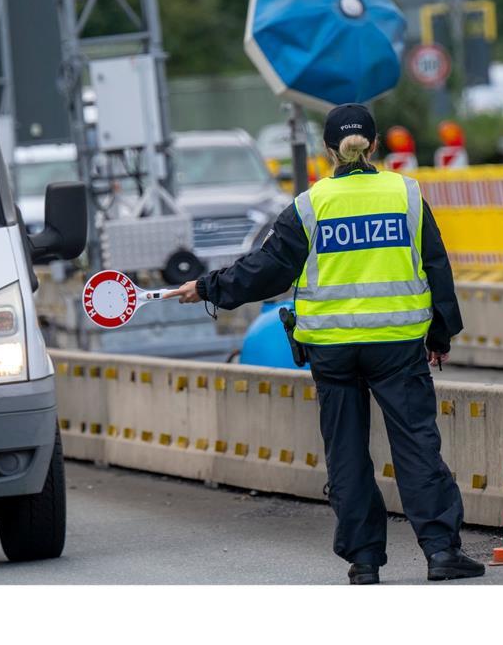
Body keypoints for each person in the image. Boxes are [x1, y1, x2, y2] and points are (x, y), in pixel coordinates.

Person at [166, 103, 485, 584]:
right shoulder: (407, 195)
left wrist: (209, 287)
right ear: (375, 146)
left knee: (347, 454)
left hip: (332, 352)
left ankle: (363, 561)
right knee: (417, 447)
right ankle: (441, 553)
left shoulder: (310, 206)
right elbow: (437, 268)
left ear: (328, 151)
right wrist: (439, 335)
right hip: (397, 347)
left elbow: (265, 269)